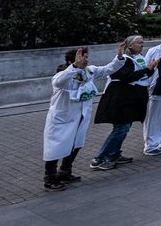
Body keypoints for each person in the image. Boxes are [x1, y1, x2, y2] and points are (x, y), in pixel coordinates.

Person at [43, 46, 128, 190]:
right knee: (56, 148)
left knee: (75, 144)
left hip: (80, 117)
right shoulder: (63, 75)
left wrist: (119, 58)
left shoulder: (89, 71)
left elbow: (107, 69)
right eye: (82, 57)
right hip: (62, 119)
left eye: (87, 57)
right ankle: (49, 178)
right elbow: (59, 82)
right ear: (72, 60)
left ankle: (65, 171)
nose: (86, 60)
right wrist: (74, 66)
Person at [92, 35, 156, 170]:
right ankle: (99, 158)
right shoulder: (125, 60)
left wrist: (150, 69)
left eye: (143, 42)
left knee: (124, 128)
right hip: (120, 98)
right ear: (130, 46)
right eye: (139, 42)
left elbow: (144, 75)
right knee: (120, 128)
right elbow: (125, 76)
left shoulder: (139, 59)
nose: (142, 44)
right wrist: (147, 69)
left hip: (131, 98)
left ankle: (114, 154)